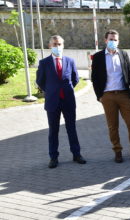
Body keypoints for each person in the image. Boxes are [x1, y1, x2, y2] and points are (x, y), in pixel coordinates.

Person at [91, 30, 130, 163]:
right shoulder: (98, 57)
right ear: (105, 41)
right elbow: (94, 78)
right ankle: (117, 151)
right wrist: (99, 96)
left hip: (123, 94)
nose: (113, 42)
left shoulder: (123, 54)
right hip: (107, 96)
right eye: (111, 39)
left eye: (115, 40)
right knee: (113, 126)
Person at [36, 35, 86, 168]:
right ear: (49, 46)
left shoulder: (70, 61)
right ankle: (53, 157)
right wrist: (52, 90)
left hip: (68, 100)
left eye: (59, 44)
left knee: (72, 129)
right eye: (54, 44)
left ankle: (76, 154)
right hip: (52, 101)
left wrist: (66, 90)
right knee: (53, 130)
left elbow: (75, 79)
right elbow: (40, 81)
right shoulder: (44, 63)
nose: (57, 47)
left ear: (63, 45)